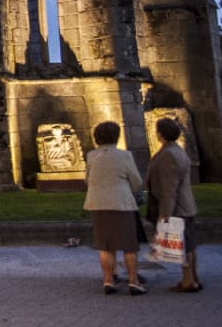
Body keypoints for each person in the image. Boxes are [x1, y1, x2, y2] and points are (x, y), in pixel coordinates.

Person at [84, 121, 147, 296]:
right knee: (129, 245)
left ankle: (108, 279)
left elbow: (88, 180)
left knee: (105, 245)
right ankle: (133, 281)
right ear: (116, 136)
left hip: (98, 204)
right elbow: (136, 182)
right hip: (122, 204)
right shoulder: (124, 156)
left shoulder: (91, 156)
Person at [146, 117, 201, 293]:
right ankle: (193, 278)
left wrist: (165, 214)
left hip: (177, 208)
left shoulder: (169, 154)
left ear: (160, 133)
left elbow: (169, 188)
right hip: (185, 205)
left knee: (182, 244)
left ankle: (188, 280)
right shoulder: (176, 150)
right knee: (189, 244)